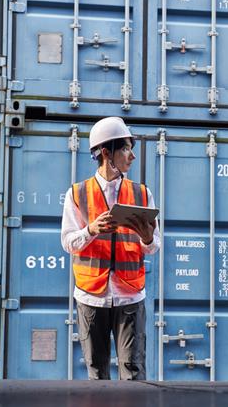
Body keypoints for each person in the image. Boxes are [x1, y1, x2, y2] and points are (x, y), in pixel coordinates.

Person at [60, 116, 160, 380]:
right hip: (91, 296)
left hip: (130, 295)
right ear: (106, 152)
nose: (132, 156)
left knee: (134, 372)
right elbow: (68, 242)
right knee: (96, 372)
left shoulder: (142, 194)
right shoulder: (77, 193)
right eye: (126, 148)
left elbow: (153, 247)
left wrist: (147, 238)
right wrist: (90, 230)